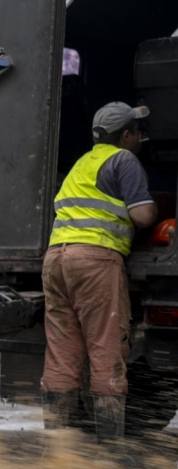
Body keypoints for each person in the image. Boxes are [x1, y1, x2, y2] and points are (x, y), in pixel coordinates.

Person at [41, 101, 155, 442]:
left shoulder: (82, 163)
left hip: (56, 261)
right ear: (126, 135)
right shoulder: (124, 160)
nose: (141, 137)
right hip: (95, 262)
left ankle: (57, 450)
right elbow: (143, 217)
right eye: (138, 131)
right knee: (107, 350)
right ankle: (109, 453)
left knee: (62, 354)